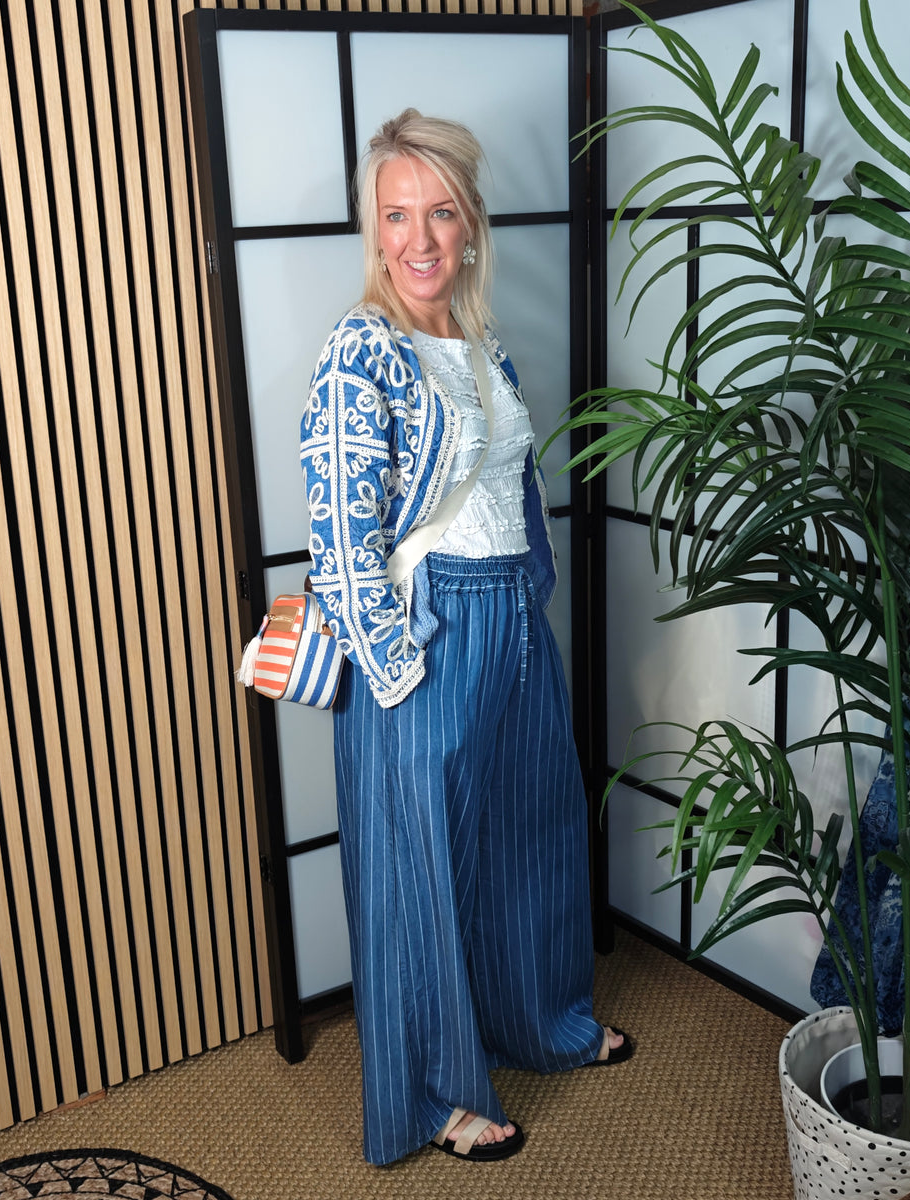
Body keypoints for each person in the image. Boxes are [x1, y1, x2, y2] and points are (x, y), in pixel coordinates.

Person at [299, 109, 633, 1167]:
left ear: (472, 223)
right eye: (397, 214)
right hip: (424, 638)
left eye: (441, 211)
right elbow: (340, 542)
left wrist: (530, 603)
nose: (420, 238)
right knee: (422, 872)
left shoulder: (477, 342)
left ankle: (544, 1025)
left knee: (531, 833)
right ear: (373, 227)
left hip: (513, 628)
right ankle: (439, 1096)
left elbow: (514, 490)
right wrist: (401, 678)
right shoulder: (359, 350)